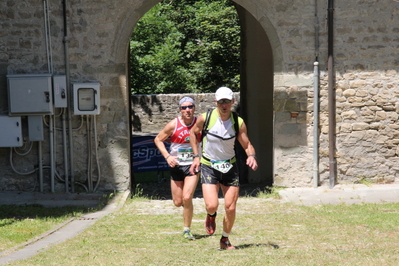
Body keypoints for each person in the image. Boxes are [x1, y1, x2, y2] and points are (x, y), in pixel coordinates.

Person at [189, 87, 258, 250]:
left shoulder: (237, 122)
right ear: (216, 102)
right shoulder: (205, 118)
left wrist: (251, 156)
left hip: (230, 166)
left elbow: (247, 144)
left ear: (232, 102)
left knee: (231, 207)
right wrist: (196, 156)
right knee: (212, 205)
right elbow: (193, 133)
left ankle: (225, 240)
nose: (224, 105)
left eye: (227, 101)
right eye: (221, 102)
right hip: (209, 165)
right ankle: (211, 215)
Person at [154, 96, 201, 240]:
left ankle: (187, 229)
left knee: (187, 197)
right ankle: (187, 209)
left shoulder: (199, 123)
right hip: (176, 165)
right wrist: (168, 157)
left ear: (194, 108)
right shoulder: (174, 124)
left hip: (192, 166)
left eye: (190, 107)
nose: (187, 110)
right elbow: (158, 139)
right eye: (184, 107)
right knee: (178, 202)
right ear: (180, 110)